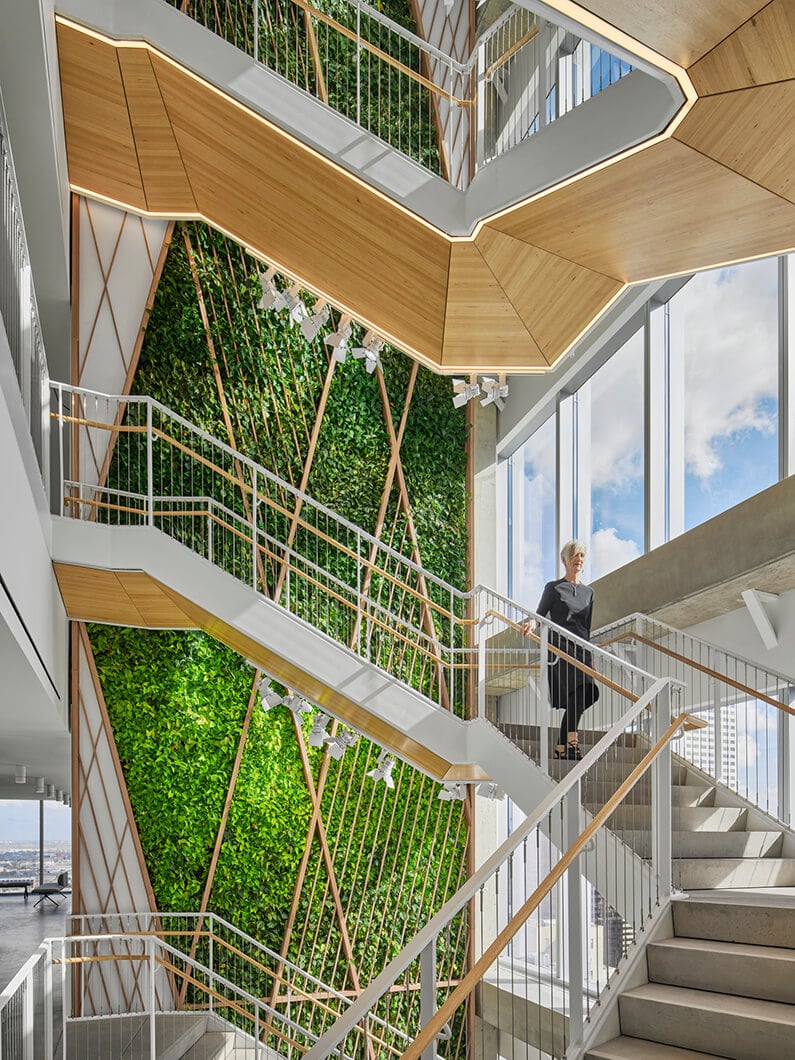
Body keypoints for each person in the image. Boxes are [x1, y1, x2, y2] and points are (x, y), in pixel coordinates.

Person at [525, 540, 600, 760]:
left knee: (585, 693)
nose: (579, 559)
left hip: (582, 649)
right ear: (565, 560)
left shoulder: (589, 592)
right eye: (574, 555)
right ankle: (572, 742)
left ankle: (561, 745)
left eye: (582, 556)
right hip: (561, 648)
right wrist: (532, 622)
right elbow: (539, 614)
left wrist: (591, 657)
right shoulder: (554, 588)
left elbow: (587, 627)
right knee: (578, 692)